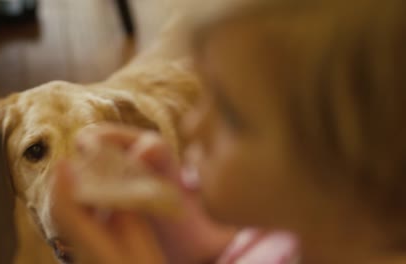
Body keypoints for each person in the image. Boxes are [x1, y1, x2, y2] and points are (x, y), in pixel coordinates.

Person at [51, 0, 406, 263]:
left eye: (231, 116)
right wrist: (192, 236)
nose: (192, 126)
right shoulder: (297, 226)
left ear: (350, 173)